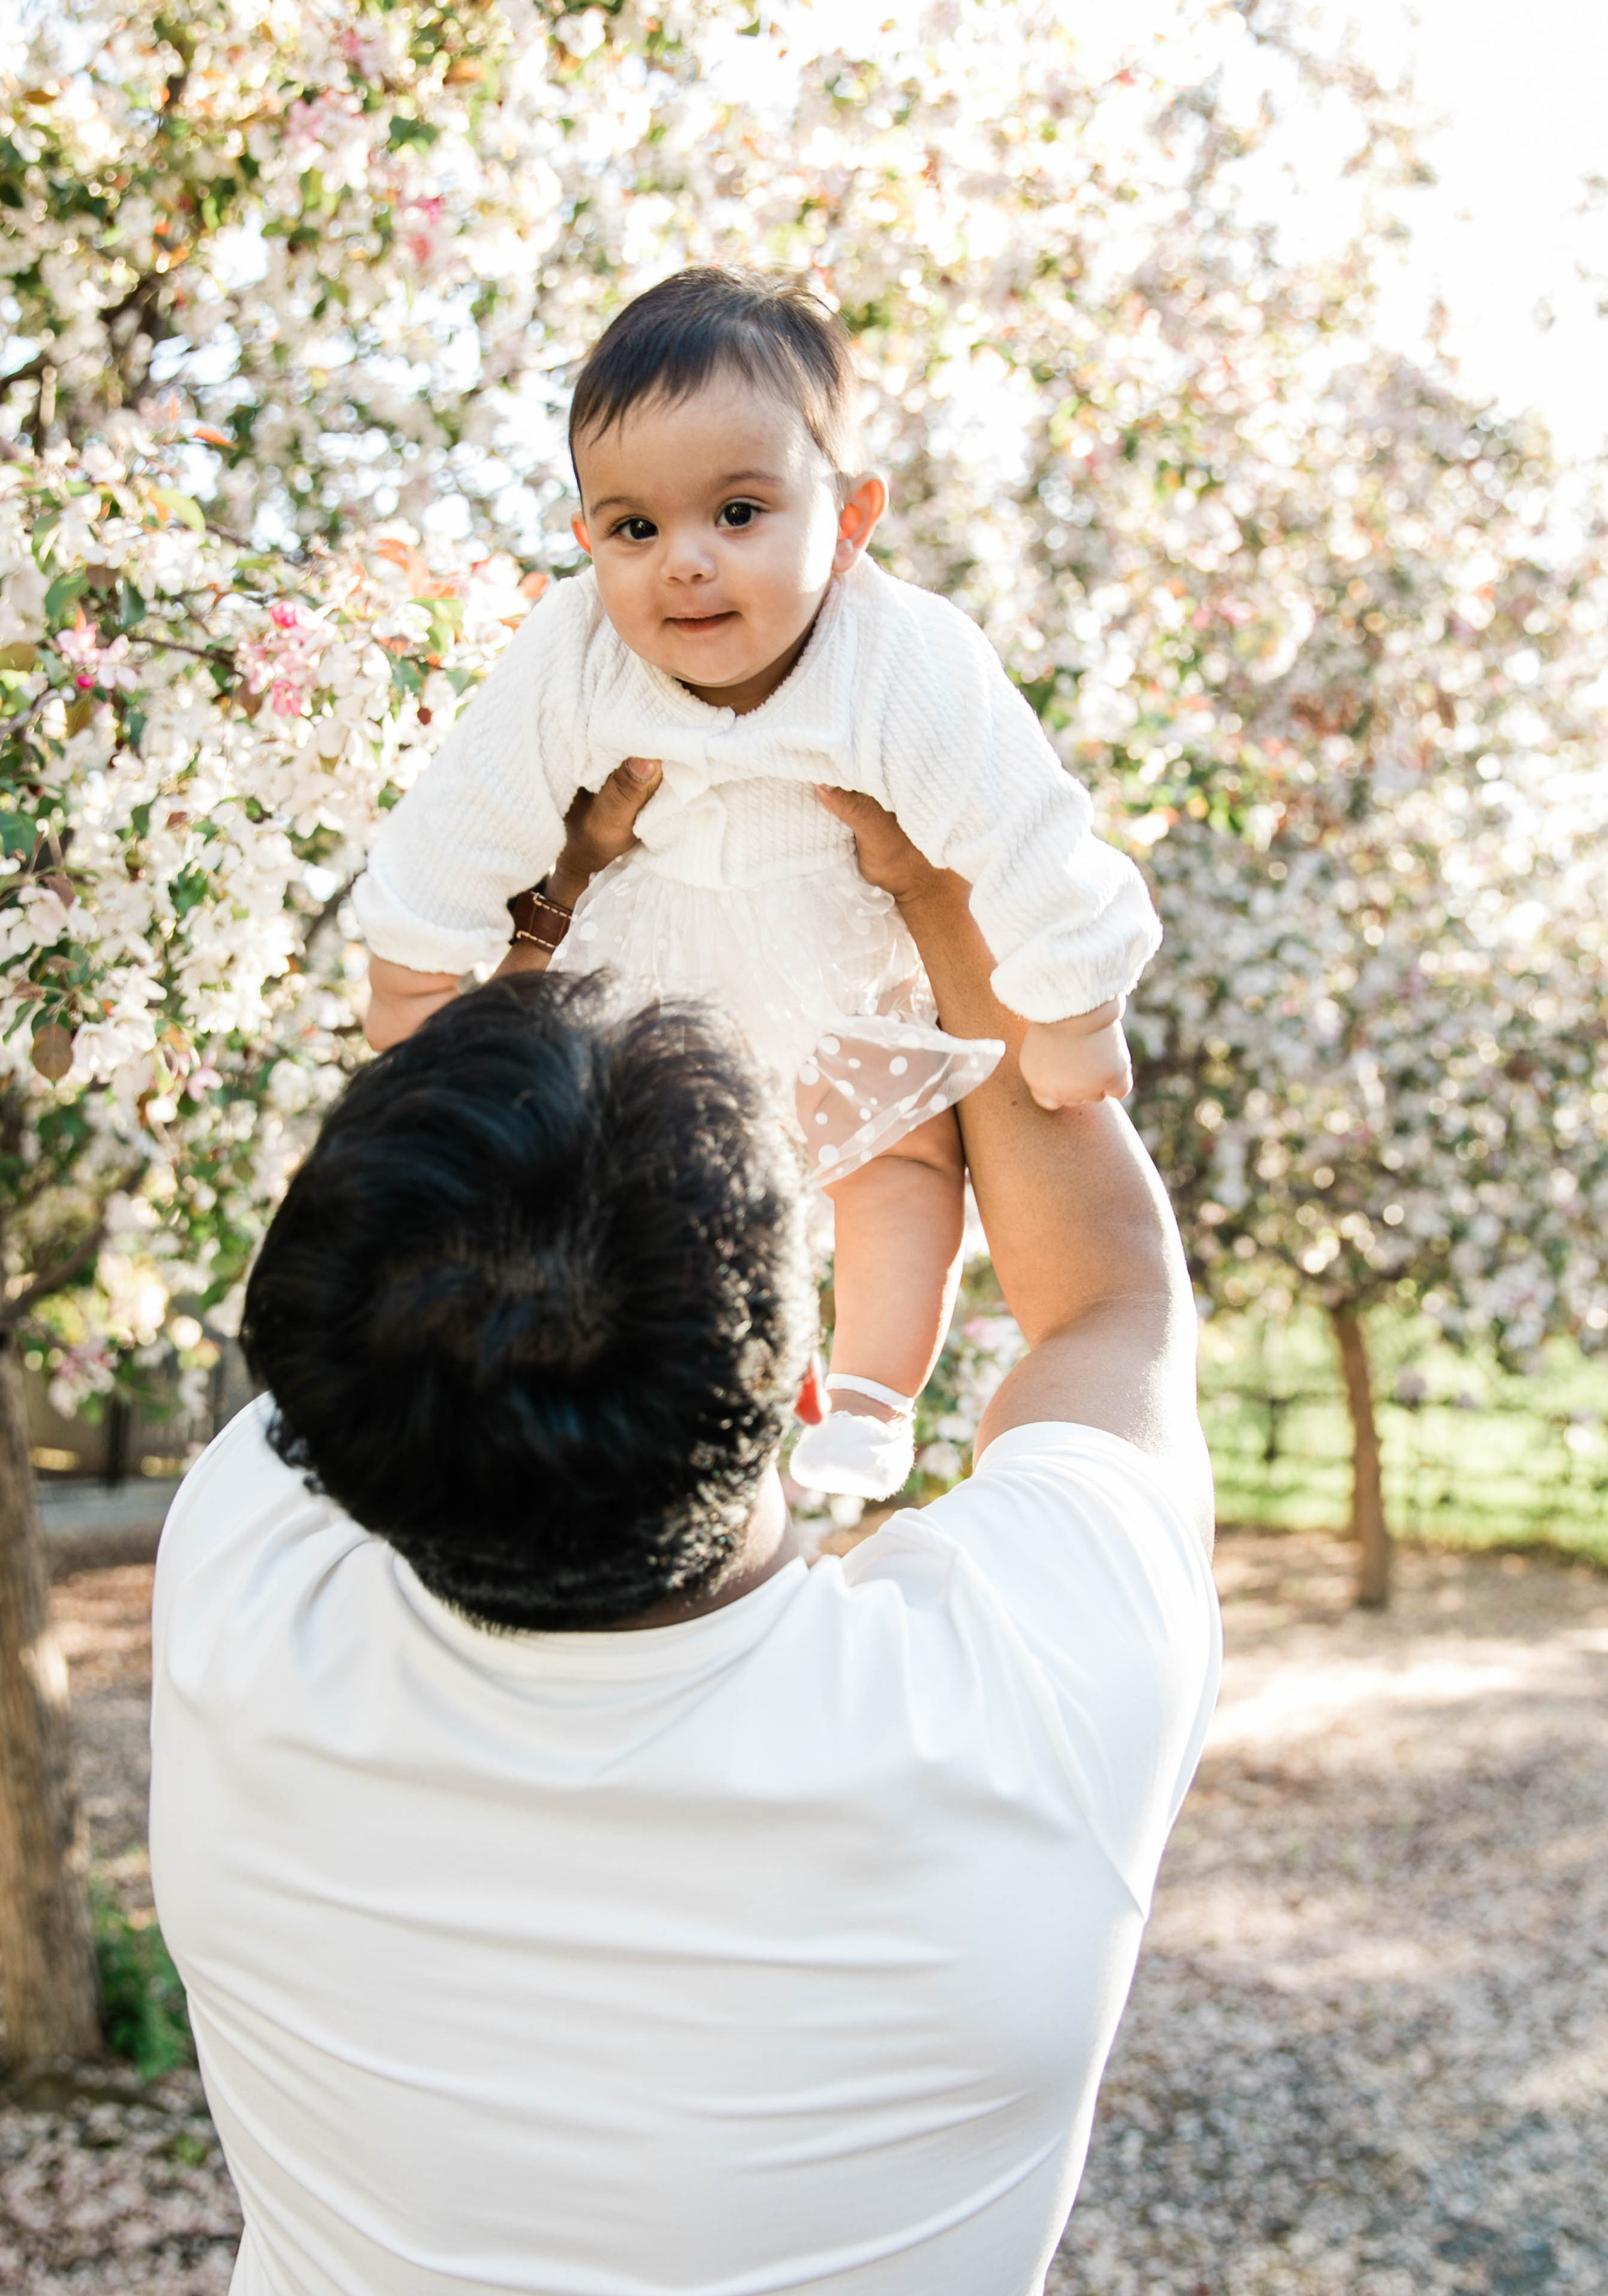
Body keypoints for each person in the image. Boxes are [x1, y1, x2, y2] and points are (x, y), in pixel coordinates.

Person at [149, 774, 1220, 2296]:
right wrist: (941, 886)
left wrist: (544, 893)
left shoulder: (242, 1604)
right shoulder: (1032, 1704)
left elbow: (375, 1261)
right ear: (807, 1383)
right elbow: (1111, 1313)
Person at [352, 269, 1159, 1504]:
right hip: (650, 966)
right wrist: (413, 979)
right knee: (638, 1191)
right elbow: (470, 811)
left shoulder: (900, 656)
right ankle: (707, 1399)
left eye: (738, 513)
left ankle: (876, 1394)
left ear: (848, 520)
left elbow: (1021, 826)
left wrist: (1072, 1006)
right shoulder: (568, 655)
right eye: (635, 529)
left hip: (834, 944)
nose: (685, 564)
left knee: (897, 1166)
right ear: (585, 543)